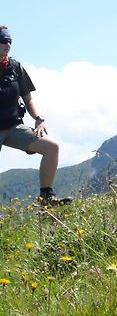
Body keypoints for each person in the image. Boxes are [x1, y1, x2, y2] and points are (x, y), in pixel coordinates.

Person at [0, 25, 71, 205]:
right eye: (3, 41)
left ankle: (46, 197)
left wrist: (38, 119)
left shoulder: (16, 67)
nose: (7, 45)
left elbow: (28, 98)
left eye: (9, 41)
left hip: (13, 126)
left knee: (51, 147)